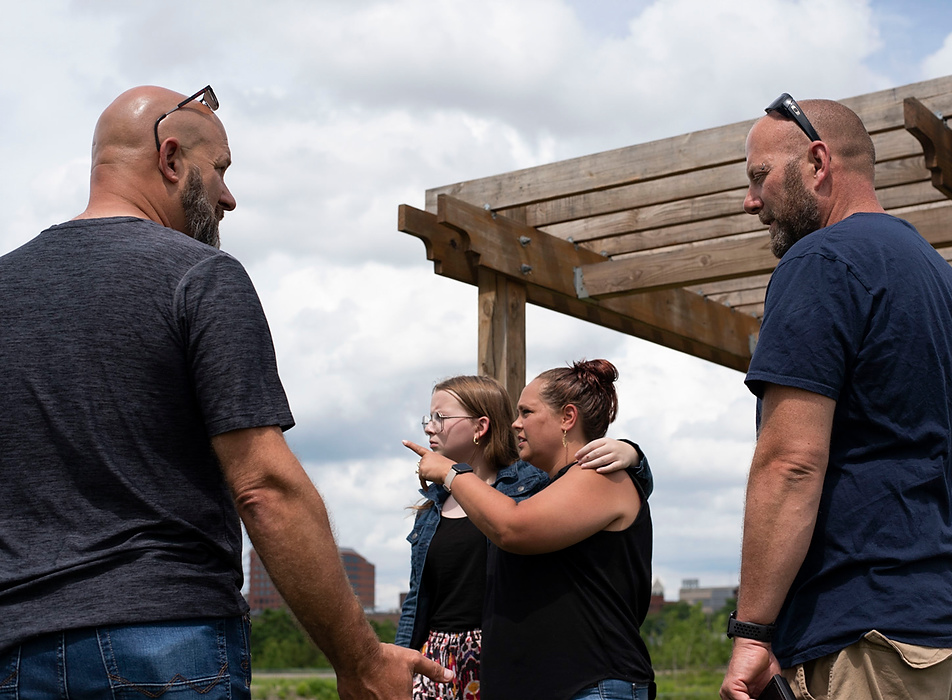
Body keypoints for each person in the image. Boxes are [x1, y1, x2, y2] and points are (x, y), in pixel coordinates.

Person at [0, 85, 451, 699]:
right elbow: (264, 488)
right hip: (164, 645)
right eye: (221, 170)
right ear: (170, 158)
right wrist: (363, 662)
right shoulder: (198, 274)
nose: (230, 197)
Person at [719, 94, 952, 700]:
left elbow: (791, 461)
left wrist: (753, 631)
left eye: (759, 177)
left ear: (816, 162)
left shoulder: (822, 260)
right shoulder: (938, 278)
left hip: (873, 637)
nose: (749, 200)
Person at [407, 360, 655, 700]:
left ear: (568, 418)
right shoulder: (551, 488)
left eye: (526, 412)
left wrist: (451, 474)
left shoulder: (598, 475)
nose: (515, 423)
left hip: (589, 685)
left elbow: (512, 527)